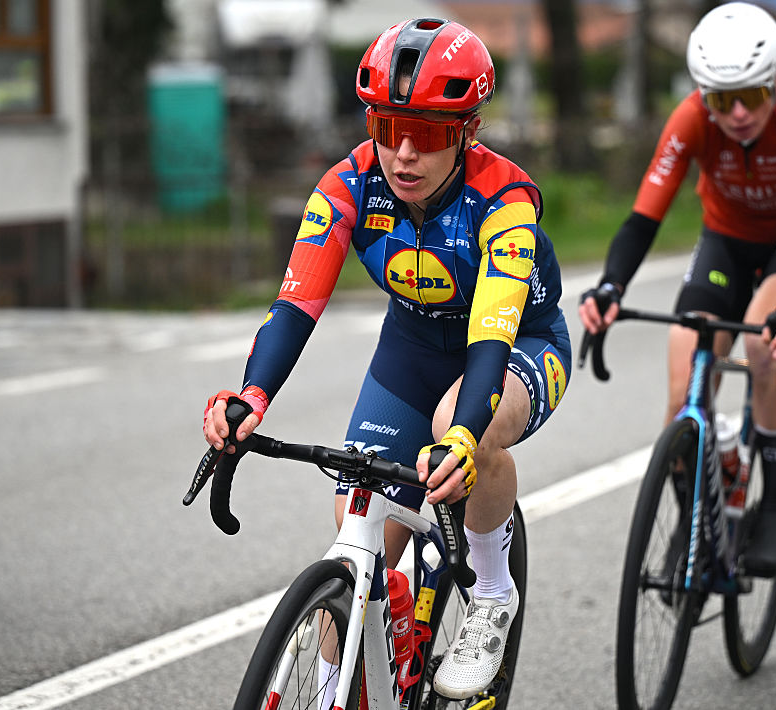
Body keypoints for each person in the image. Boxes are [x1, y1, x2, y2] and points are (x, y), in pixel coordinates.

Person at [202, 18, 571, 702]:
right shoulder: (348, 185)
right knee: (358, 543)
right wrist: (251, 396)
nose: (403, 153)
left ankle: (491, 590)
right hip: (410, 353)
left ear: (468, 130)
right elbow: (293, 307)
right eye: (385, 126)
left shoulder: (504, 202)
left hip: (519, 346)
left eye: (427, 133)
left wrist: (461, 433)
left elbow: (492, 336)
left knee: (461, 427)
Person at [578, 1, 776, 576]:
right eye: (723, 100)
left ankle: (775, 505)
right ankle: (695, 524)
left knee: (762, 347)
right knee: (682, 394)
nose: (739, 113)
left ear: (775, 83)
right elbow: (643, 219)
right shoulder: (690, 118)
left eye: (752, 96)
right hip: (724, 245)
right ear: (704, 96)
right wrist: (610, 285)